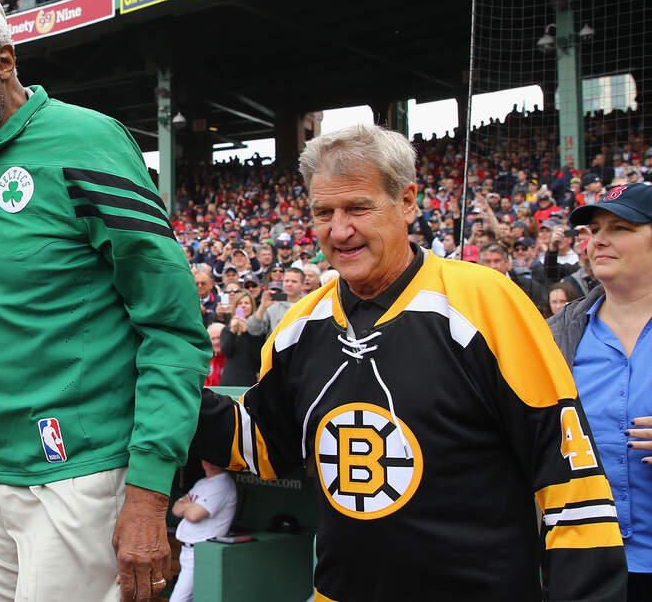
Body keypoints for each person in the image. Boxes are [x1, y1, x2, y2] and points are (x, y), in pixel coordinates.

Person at [191, 124, 626, 601]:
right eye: (323, 212)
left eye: (358, 208)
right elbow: (264, 446)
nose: (339, 230)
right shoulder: (297, 325)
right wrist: (162, 389)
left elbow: (568, 474)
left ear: (407, 201)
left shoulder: (487, 303)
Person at [0, 0, 211, 602]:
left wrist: (147, 492)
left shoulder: (86, 142)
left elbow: (173, 327)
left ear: (3, 60)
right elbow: (27, 299)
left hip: (78, 472)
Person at [548, 182, 652, 599]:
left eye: (621, 228)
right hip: (583, 562)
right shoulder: (553, 337)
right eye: (593, 229)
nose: (599, 240)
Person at [168, 460, 237, 602]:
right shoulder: (202, 483)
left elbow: (193, 515)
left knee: (178, 599)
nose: (211, 462)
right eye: (207, 458)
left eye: (214, 459)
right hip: (189, 550)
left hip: (202, 552)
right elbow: (175, 508)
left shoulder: (222, 483)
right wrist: (190, 506)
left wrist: (187, 506)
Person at [218, 291, 264, 387]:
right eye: (240, 303)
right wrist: (232, 332)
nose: (243, 306)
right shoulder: (227, 329)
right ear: (235, 308)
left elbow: (258, 356)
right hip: (229, 380)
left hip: (249, 381)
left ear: (252, 307)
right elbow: (226, 351)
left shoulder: (258, 330)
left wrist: (246, 332)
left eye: (247, 303)